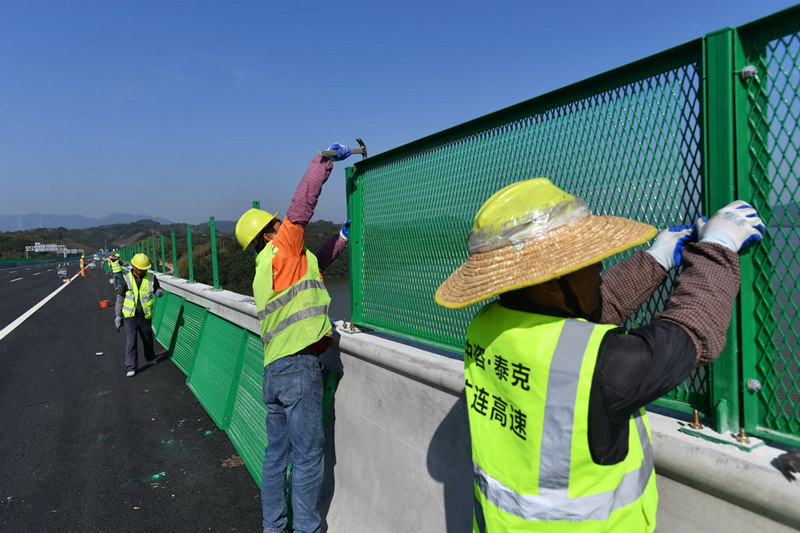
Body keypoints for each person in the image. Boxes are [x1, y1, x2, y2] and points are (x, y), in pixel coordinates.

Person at [435, 178, 765, 532]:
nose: (598, 267)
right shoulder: (599, 367)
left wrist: (657, 259)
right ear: (548, 281)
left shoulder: (488, 326)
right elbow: (688, 334)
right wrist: (718, 246)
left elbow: (578, 316)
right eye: (587, 260)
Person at [235, 143, 352, 533]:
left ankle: (273, 526)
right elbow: (302, 206)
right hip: (301, 367)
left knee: (275, 457)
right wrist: (324, 162)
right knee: (307, 457)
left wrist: (341, 238)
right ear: (270, 232)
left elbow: (315, 262)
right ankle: (307, 529)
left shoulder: (265, 268)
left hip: (273, 371)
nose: (283, 225)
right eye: (277, 224)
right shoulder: (282, 246)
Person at [114, 253, 164, 377]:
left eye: (145, 269)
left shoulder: (151, 278)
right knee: (131, 341)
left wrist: (158, 291)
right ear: (134, 267)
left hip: (145, 315)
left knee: (147, 338)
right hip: (130, 316)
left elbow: (156, 287)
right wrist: (118, 316)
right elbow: (120, 298)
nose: (143, 271)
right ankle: (131, 366)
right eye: (141, 269)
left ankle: (150, 357)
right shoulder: (126, 279)